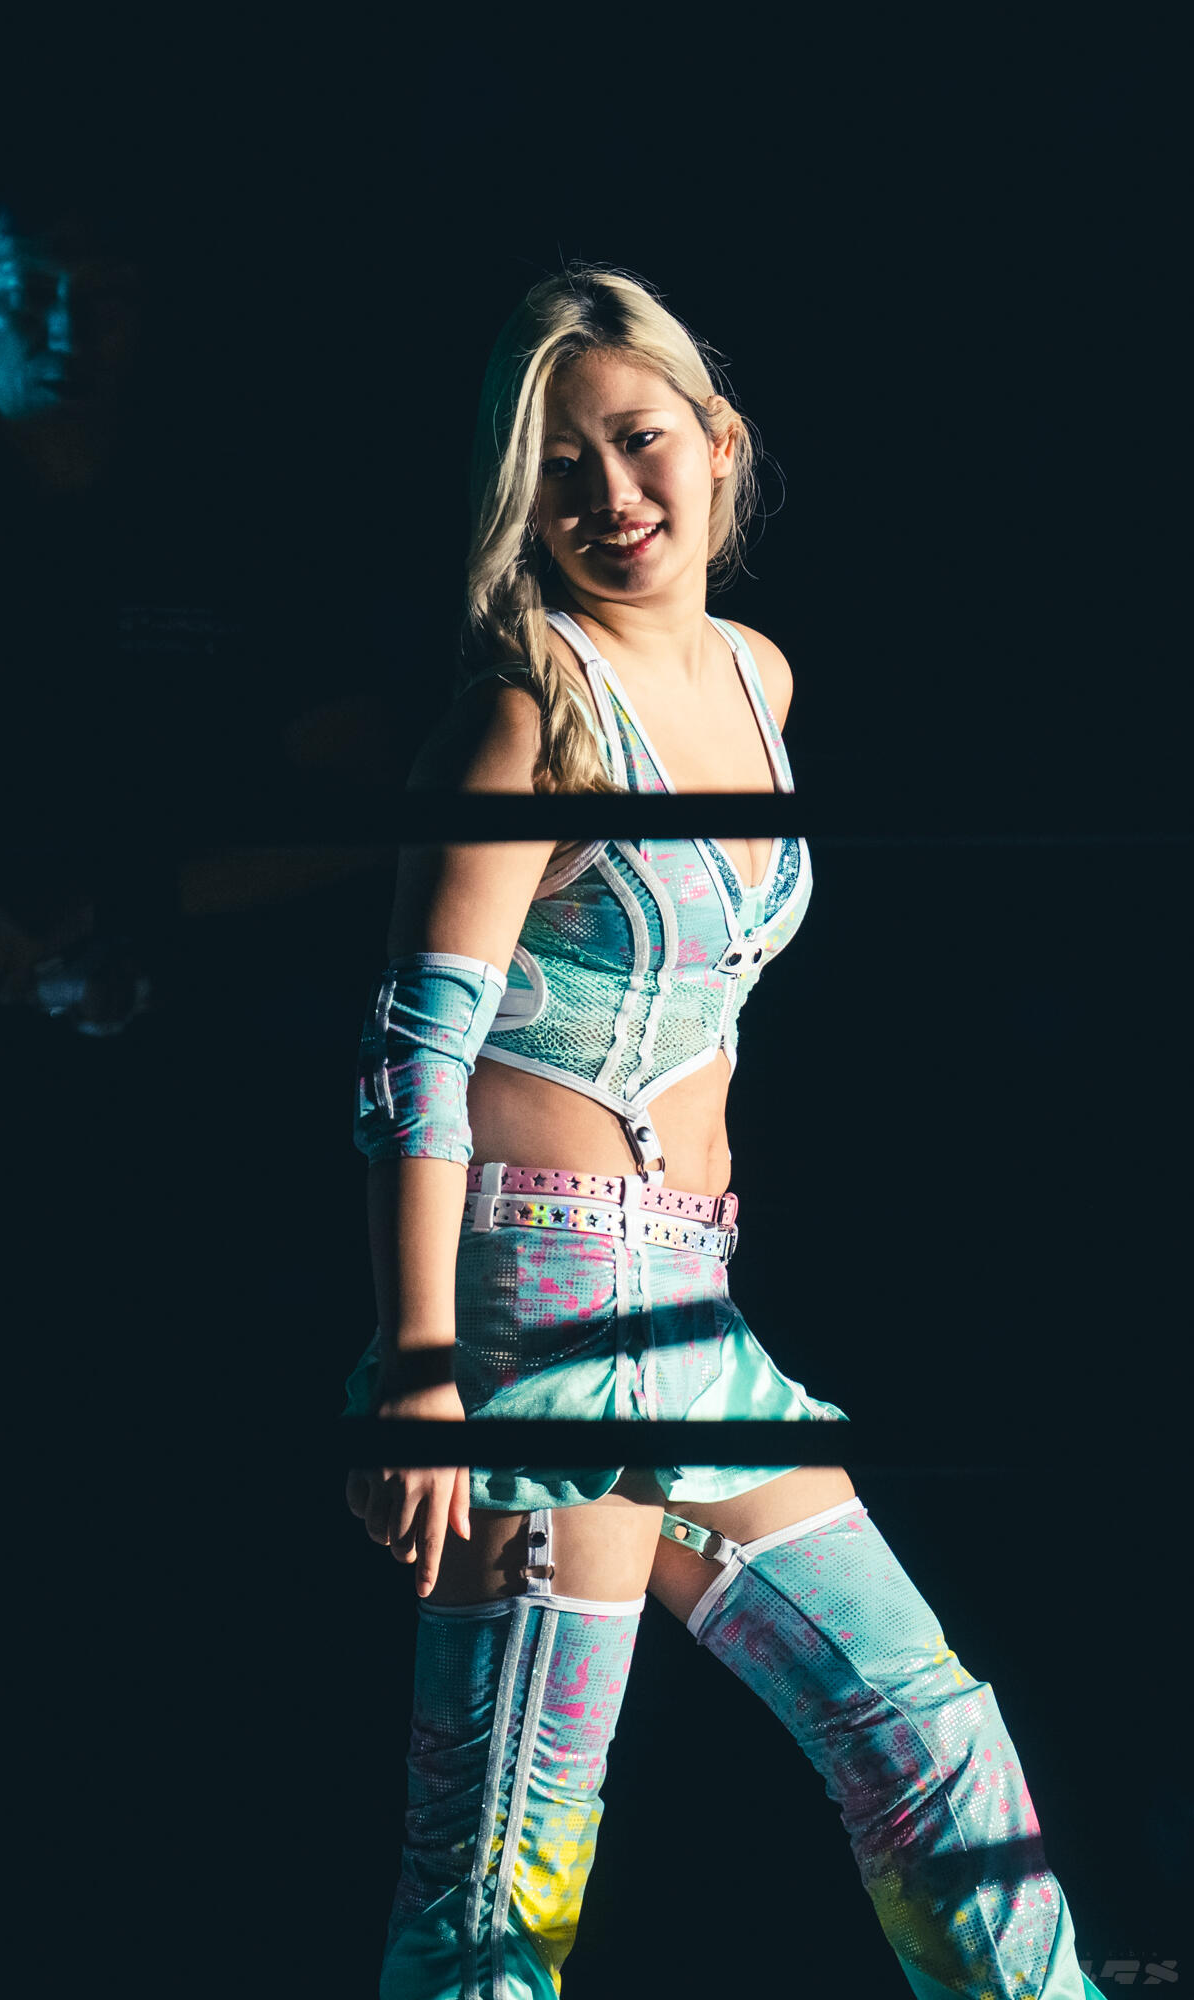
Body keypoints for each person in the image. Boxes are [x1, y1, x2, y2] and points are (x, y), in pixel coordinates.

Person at [343, 267, 1105, 1999]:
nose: (609, 493)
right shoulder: (525, 710)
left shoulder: (757, 678)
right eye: (558, 464)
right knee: (506, 1862)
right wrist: (418, 1371)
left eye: (638, 442)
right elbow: (411, 1057)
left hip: (692, 1311)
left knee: (928, 1738)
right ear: (515, 495)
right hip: (538, 1319)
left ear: (718, 445)